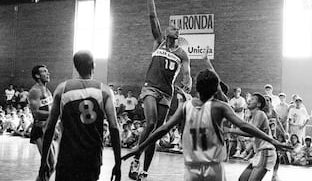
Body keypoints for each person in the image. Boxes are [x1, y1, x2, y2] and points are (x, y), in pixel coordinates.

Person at [122, 69, 290, 181]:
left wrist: (140, 147)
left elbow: (163, 128)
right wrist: (273, 140)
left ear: (197, 87)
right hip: (213, 168)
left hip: (191, 169)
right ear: (216, 89)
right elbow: (245, 126)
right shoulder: (220, 107)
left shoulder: (186, 106)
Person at [129, 0, 192, 181]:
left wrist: (188, 81)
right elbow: (152, 15)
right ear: (165, 32)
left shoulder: (182, 53)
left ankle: (145, 172)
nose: (174, 28)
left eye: (176, 28)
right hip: (150, 88)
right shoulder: (158, 41)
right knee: (151, 122)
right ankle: (136, 158)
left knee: (157, 133)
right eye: (171, 27)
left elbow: (187, 72)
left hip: (167, 92)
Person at [38, 51, 121, 181]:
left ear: (75, 67)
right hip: (92, 156)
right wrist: (118, 163)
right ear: (93, 65)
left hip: (67, 156)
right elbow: (114, 128)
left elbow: (49, 128)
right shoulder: (104, 91)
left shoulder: (62, 89)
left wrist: (43, 161)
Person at [229, 93, 278, 181]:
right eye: (249, 99)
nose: (249, 101)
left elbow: (252, 133)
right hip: (259, 152)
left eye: (252, 99)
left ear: (258, 104)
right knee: (242, 179)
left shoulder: (260, 113)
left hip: (266, 151)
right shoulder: (252, 116)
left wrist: (230, 130)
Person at [28, 65, 56, 180]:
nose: (48, 73)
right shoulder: (35, 91)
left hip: (48, 129)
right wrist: (55, 114)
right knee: (47, 165)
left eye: (47, 71)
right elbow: (35, 113)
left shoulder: (48, 91)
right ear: (37, 75)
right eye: (44, 72)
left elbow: (49, 109)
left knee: (52, 165)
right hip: (40, 130)